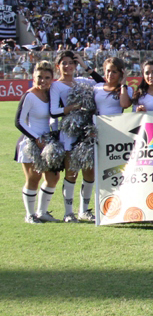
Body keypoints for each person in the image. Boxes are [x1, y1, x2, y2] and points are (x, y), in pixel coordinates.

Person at [49, 51, 104, 223]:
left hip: (86, 129)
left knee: (89, 172)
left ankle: (84, 211)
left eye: (71, 62)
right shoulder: (56, 86)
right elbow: (53, 111)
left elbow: (102, 83)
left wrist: (85, 65)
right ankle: (68, 213)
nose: (68, 66)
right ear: (58, 66)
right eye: (64, 63)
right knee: (71, 172)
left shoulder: (82, 81)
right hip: (69, 130)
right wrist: (72, 108)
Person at [15, 61, 59, 223]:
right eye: (39, 77)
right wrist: (36, 139)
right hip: (31, 143)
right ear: (33, 77)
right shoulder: (29, 95)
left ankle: (42, 212)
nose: (43, 81)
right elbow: (19, 121)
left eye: (47, 77)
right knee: (34, 178)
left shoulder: (50, 95)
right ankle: (30, 215)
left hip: (48, 143)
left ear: (52, 79)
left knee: (53, 177)